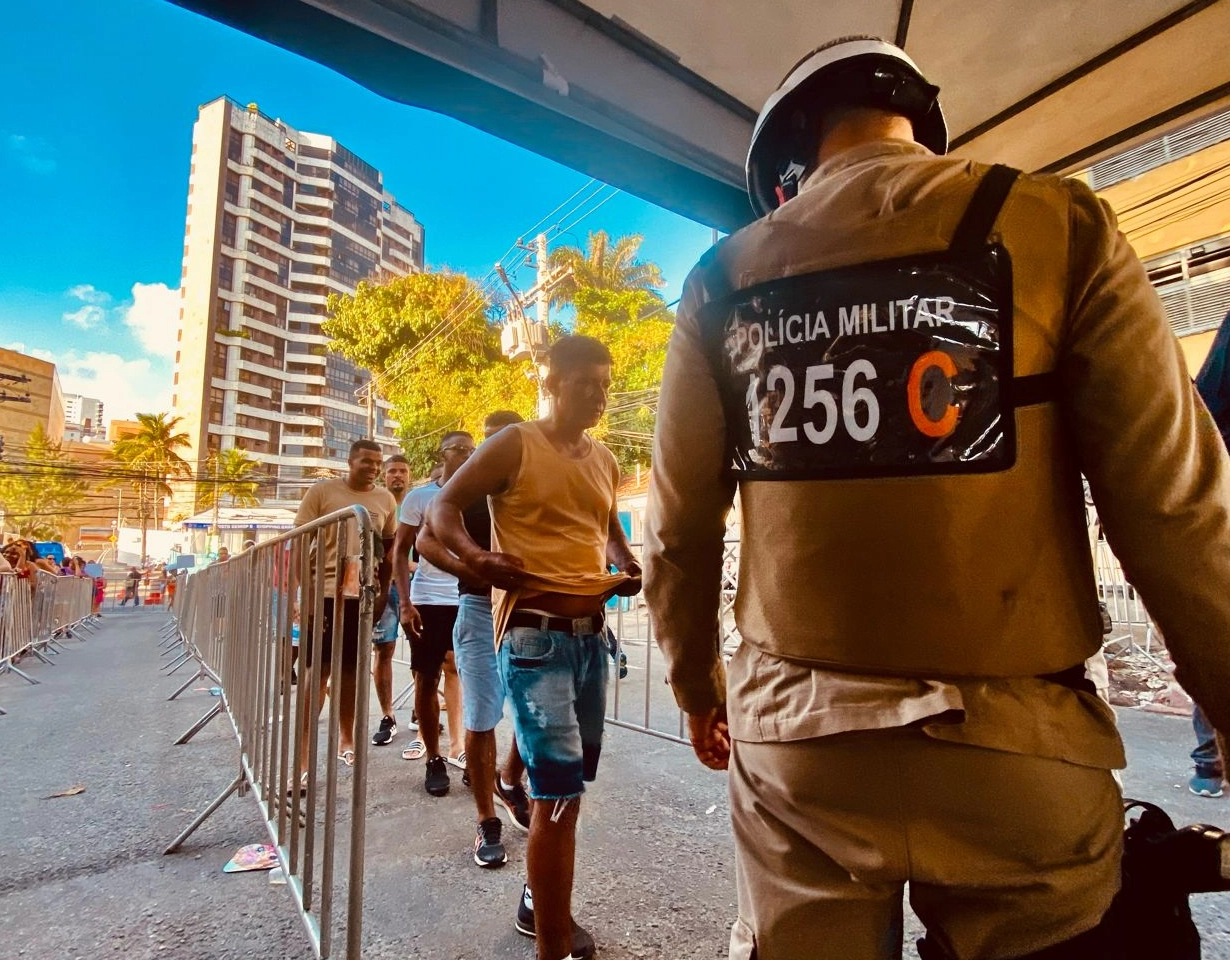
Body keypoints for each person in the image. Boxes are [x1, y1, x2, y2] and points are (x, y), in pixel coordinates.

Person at [643, 36, 1230, 960]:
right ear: (919, 119)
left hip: (799, 750)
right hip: (1021, 750)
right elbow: (1175, 509)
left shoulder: (721, 280)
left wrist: (692, 684)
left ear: (788, 162)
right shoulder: (1060, 224)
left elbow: (677, 528)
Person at [429, 335, 641, 960]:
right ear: (551, 383)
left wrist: (627, 566)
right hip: (531, 639)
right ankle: (551, 943)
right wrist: (477, 558)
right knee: (557, 800)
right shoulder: (514, 443)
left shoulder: (602, 458)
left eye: (605, 383)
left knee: (567, 796)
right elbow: (444, 507)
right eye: (585, 383)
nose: (599, 395)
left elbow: (607, 532)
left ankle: (538, 907)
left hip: (589, 640)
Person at [417, 409, 533, 868]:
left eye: (501, 440)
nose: (487, 450)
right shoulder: (466, 487)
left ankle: (509, 780)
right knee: (482, 716)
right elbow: (425, 540)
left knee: (535, 712)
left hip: (531, 612)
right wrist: (471, 568)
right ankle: (487, 819)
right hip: (481, 611)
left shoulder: (533, 479)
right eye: (483, 442)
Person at [293, 439, 397, 770]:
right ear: (350, 462)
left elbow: (391, 549)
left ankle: (346, 738)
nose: (373, 467)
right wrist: (305, 596)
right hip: (324, 595)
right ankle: (304, 753)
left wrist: (382, 593)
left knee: (352, 671)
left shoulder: (385, 499)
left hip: (360, 597)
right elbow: (298, 544)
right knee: (317, 671)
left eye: (377, 462)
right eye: (366, 461)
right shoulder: (321, 492)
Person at [392, 435, 472, 796]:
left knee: (468, 675)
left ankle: (470, 751)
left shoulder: (480, 496)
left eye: (473, 449)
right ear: (444, 454)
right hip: (427, 599)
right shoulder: (419, 498)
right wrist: (405, 603)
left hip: (468, 597)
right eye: (460, 449)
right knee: (427, 677)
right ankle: (434, 759)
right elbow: (399, 553)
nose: (468, 454)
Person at [370, 453, 411, 747]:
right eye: (392, 471)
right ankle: (388, 715)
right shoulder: (377, 503)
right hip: (384, 586)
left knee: (424, 654)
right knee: (383, 650)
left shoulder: (419, 501)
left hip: (416, 587)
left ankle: (423, 714)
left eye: (402, 471)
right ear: (384, 475)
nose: (397, 475)